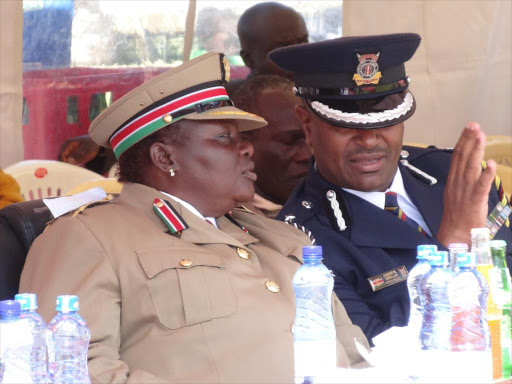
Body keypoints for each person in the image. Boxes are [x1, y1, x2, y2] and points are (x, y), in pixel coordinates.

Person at [20, 52, 369, 383]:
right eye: (224, 138)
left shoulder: (278, 236)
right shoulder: (89, 237)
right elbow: (68, 370)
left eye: (242, 138)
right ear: (164, 158)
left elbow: (352, 348)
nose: (247, 148)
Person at [269, 33, 512, 342]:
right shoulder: (300, 243)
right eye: (346, 125)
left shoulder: (450, 173)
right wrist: (454, 252)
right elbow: (372, 353)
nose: (369, 140)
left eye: (384, 120)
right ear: (307, 125)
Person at [58, 2, 309, 170]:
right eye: (284, 48)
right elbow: (162, 131)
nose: (300, 54)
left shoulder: (323, 91)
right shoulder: (225, 101)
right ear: (248, 59)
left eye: (304, 41)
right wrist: (104, 146)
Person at [232, 75, 311, 217]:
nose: (308, 155)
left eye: (313, 140)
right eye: (289, 141)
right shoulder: (227, 221)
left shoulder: (336, 204)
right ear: (244, 145)